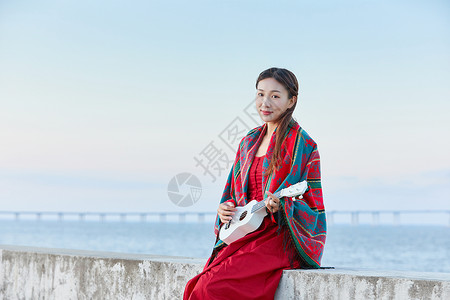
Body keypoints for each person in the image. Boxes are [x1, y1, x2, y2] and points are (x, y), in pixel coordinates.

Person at [183, 67, 327, 300]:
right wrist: (225, 208)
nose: (265, 102)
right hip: (246, 231)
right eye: (260, 94)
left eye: (275, 95)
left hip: (280, 237)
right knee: (196, 286)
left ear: (292, 101)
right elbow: (232, 191)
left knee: (210, 288)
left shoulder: (304, 145)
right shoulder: (248, 142)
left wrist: (284, 207)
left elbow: (314, 206)